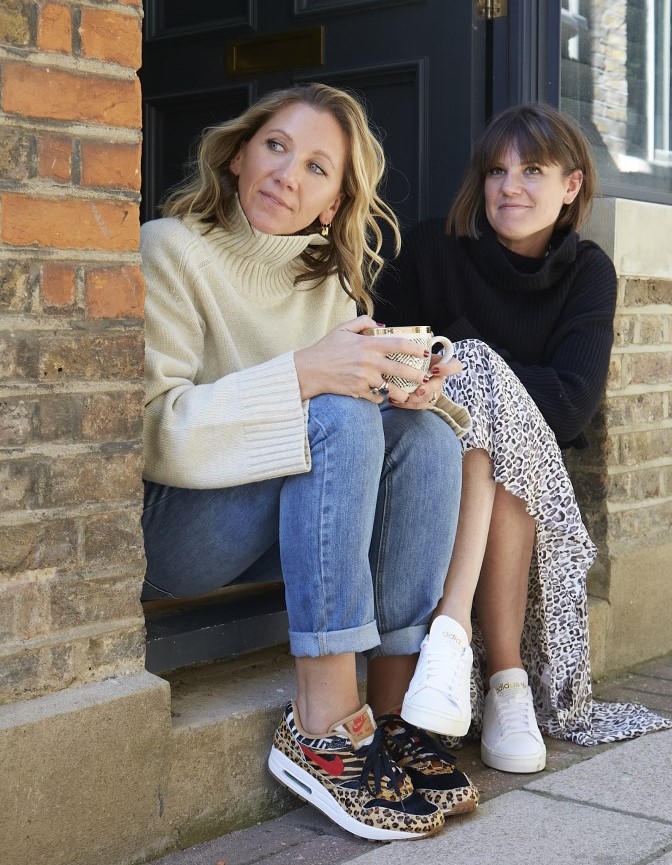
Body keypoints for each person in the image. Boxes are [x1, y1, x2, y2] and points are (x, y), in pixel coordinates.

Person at [139, 83, 478, 842]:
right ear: (237, 155)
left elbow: (349, 435)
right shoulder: (168, 249)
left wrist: (411, 397)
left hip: (267, 523)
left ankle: (388, 713)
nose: (289, 172)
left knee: (422, 436)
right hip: (172, 534)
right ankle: (323, 720)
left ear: (332, 204)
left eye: (318, 167)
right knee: (332, 407)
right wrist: (305, 375)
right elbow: (154, 431)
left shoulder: (325, 283)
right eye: (277, 146)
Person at [375, 102, 672, 774]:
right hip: (432, 469)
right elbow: (384, 364)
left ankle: (459, 647)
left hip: (533, 505)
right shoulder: (430, 251)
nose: (509, 185)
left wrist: (468, 378)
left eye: (532, 169)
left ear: (571, 186)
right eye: (496, 170)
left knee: (478, 370)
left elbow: (570, 404)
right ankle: (504, 676)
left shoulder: (588, 272)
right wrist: (454, 383)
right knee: (476, 372)